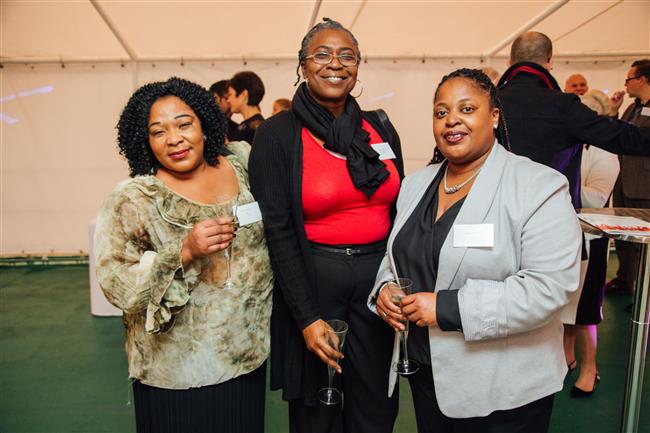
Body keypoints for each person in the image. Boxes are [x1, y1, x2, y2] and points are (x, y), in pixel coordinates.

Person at [371, 69, 581, 433]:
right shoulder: (415, 185)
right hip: (427, 373)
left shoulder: (539, 186)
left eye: (467, 108)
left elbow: (549, 288)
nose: (452, 120)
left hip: (504, 387)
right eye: (441, 112)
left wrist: (447, 307)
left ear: (495, 116)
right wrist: (386, 288)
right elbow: (398, 255)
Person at [249, 18, 403, 433]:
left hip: (377, 284)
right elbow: (277, 231)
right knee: (319, 410)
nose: (335, 63)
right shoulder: (277, 135)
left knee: (377, 403)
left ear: (358, 66)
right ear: (301, 65)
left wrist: (395, 278)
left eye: (346, 55)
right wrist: (306, 317)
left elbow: (399, 210)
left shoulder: (380, 127)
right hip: (314, 281)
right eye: (321, 54)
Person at [95, 77, 273, 433]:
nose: (173, 138)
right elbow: (115, 283)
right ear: (144, 141)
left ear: (205, 125)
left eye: (183, 124)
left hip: (245, 357)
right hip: (176, 371)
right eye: (158, 131)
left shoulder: (242, 163)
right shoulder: (136, 197)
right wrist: (183, 251)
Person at [497, 31, 650, 212]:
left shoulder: (488, 102)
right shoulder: (563, 105)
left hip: (498, 210)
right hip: (552, 214)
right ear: (550, 62)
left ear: (509, 61)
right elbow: (622, 137)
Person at [564, 90, 620, 397]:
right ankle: (567, 356)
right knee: (562, 305)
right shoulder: (568, 146)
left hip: (592, 235)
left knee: (585, 311)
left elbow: (597, 198)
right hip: (563, 233)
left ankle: (589, 369)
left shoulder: (604, 153)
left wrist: (562, 187)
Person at [605, 59, 650, 296]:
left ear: (642, 79)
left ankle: (645, 291)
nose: (626, 84)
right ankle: (625, 279)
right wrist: (613, 111)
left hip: (645, 186)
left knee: (645, 242)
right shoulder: (632, 107)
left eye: (629, 78)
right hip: (625, 182)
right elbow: (618, 135)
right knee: (624, 235)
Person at [227, 71, 266, 145]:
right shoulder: (247, 126)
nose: (228, 100)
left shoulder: (255, 128)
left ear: (244, 94)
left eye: (230, 95)